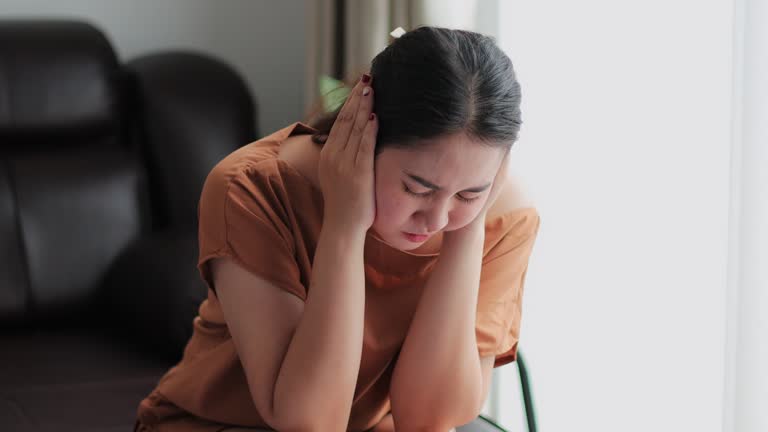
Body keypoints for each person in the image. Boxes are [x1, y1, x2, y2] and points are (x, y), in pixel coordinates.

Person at [134, 26, 541, 432]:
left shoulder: (504, 218)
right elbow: (309, 421)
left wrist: (466, 236)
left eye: (470, 193)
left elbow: (429, 419)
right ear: (364, 134)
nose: (436, 219)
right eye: (416, 189)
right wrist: (345, 228)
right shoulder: (252, 190)